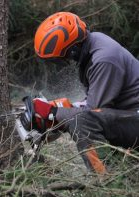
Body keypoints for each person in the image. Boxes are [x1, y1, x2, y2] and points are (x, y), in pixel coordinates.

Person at [32, 12, 139, 174]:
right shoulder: (93, 44)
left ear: (73, 49)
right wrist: (61, 107)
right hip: (130, 115)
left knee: (82, 122)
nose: (64, 61)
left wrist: (54, 113)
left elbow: (92, 114)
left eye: (63, 56)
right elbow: (94, 104)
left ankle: (105, 182)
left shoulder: (103, 59)